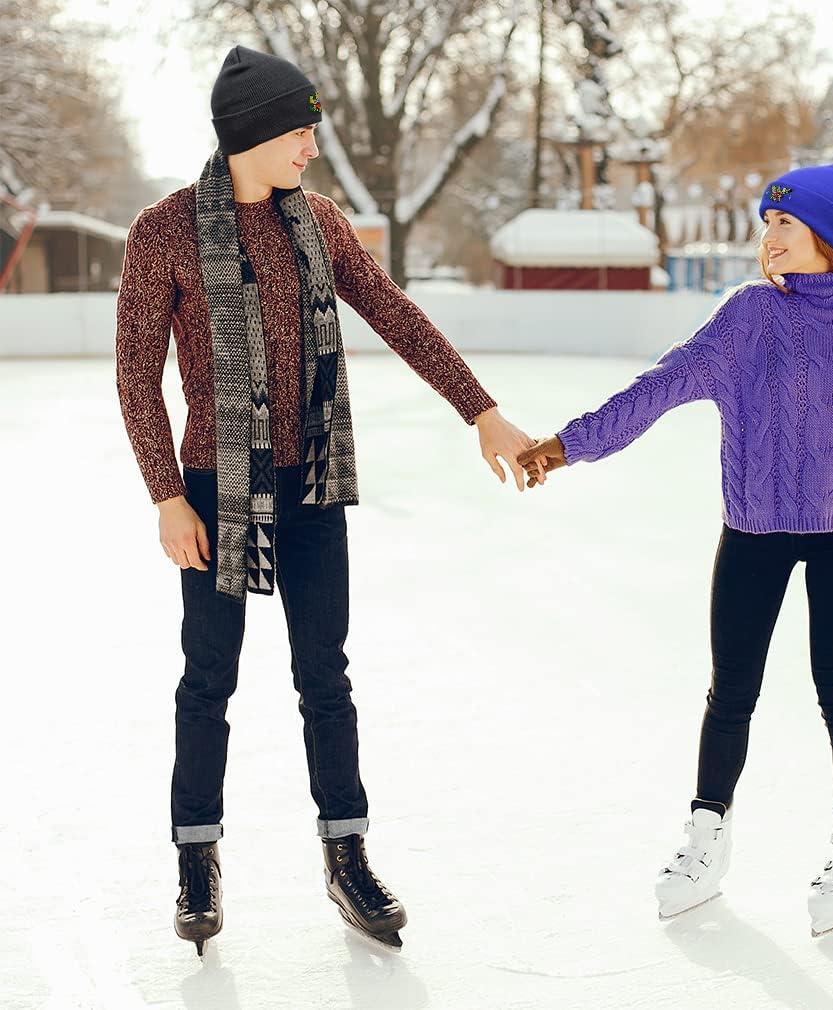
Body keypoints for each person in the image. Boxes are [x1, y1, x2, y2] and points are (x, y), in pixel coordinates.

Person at [115, 44, 545, 956]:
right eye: (301, 132)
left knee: (326, 677)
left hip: (311, 481)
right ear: (255, 134)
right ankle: (196, 859)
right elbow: (135, 376)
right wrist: (166, 497)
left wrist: (481, 411)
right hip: (216, 488)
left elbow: (393, 312)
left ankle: (346, 857)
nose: (312, 148)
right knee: (208, 676)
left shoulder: (318, 222)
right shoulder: (164, 231)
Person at [517, 163, 833, 938]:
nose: (769, 237)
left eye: (784, 222)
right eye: (766, 223)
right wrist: (568, 445)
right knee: (731, 692)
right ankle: (706, 841)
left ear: (825, 233)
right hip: (755, 527)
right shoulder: (748, 314)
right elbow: (660, 386)